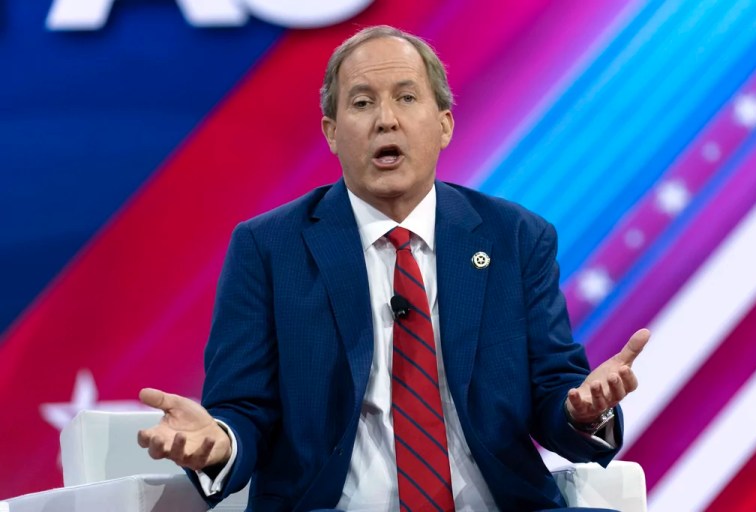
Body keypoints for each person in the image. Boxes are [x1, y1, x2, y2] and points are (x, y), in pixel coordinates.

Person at [137, 25, 650, 512]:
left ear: (444, 124)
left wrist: (585, 411)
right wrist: (218, 443)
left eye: (406, 97)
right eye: (362, 103)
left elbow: (554, 387)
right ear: (332, 132)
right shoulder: (269, 248)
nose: (386, 120)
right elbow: (242, 408)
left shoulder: (516, 238)